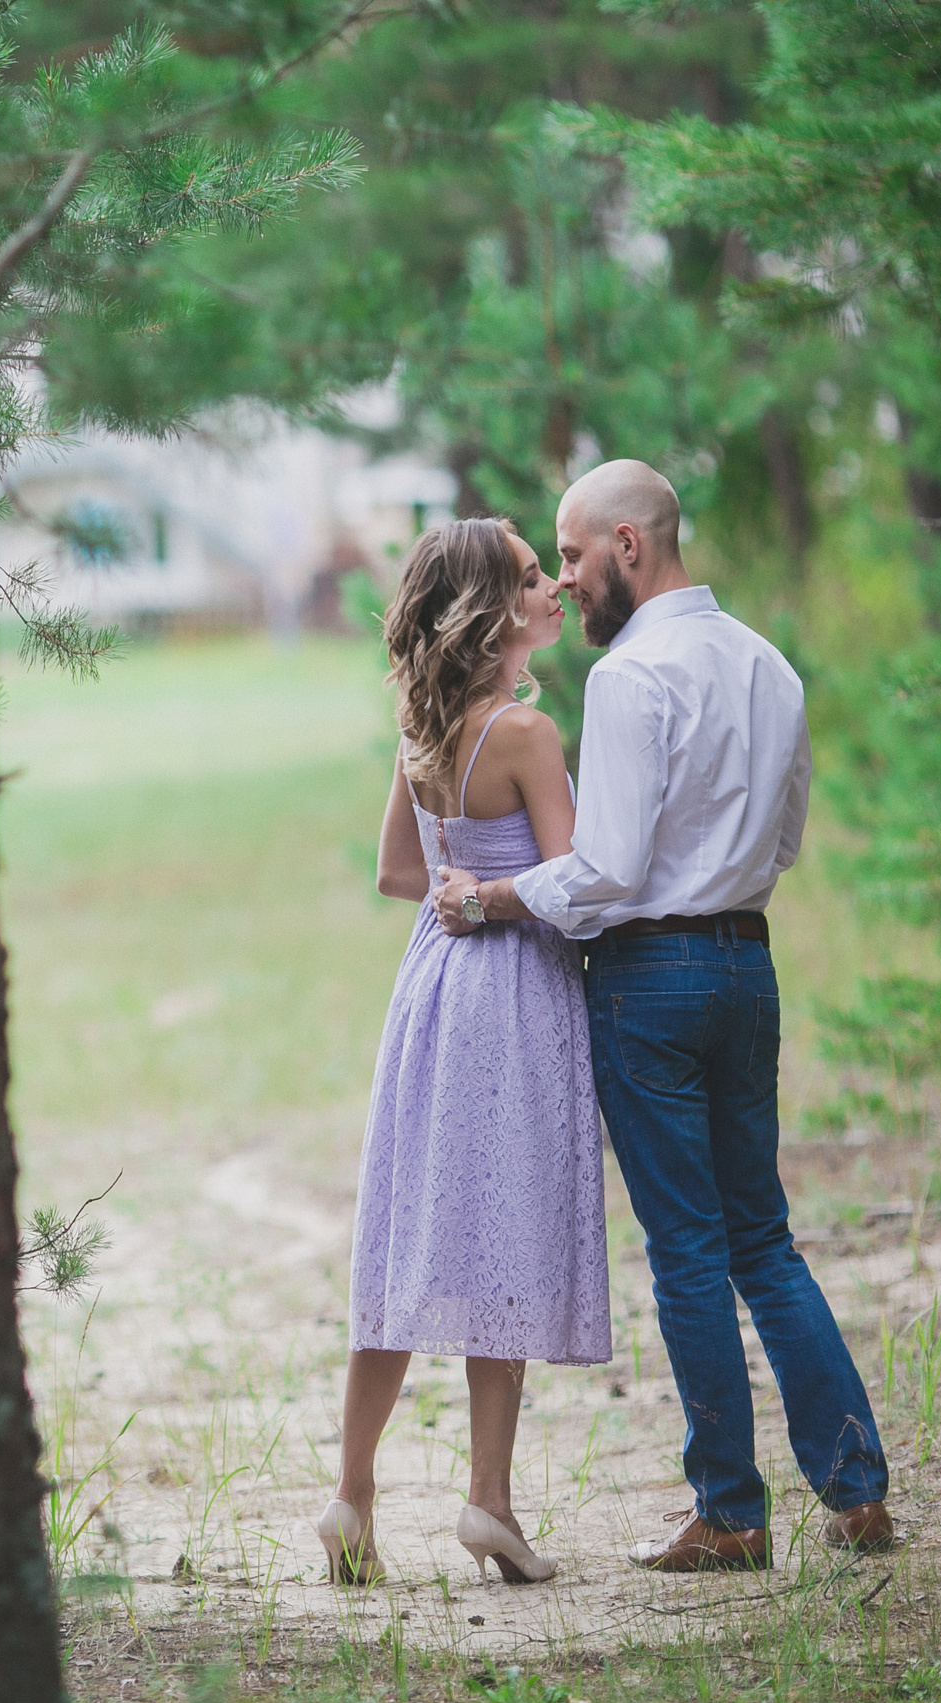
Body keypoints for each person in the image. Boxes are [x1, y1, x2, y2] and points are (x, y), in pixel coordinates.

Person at [433, 459, 895, 1572]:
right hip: (746, 966)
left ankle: (730, 1512)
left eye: (574, 556)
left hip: (649, 980)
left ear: (628, 546)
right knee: (764, 1240)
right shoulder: (768, 664)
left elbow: (608, 868)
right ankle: (857, 1493)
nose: (566, 581)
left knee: (688, 1249)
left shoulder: (629, 676)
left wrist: (489, 899)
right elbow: (786, 836)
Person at [318, 516, 610, 1589]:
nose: (552, 590)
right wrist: (494, 895)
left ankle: (351, 1493)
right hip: (514, 989)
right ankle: (489, 1498)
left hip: (432, 988)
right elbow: (568, 886)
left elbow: (398, 873)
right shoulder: (525, 733)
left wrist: (458, 883)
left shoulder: (425, 726)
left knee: (411, 1233)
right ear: (491, 611)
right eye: (532, 578)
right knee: (504, 1235)